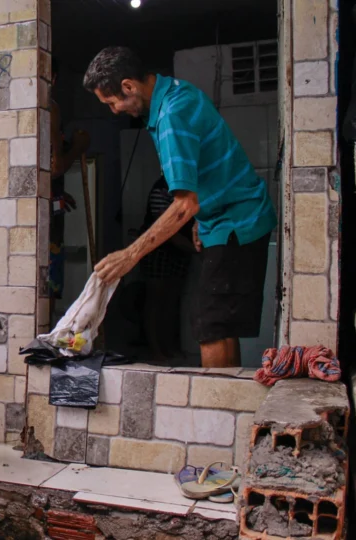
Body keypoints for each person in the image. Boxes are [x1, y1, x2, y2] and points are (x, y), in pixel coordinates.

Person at [83, 47, 276, 368]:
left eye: (112, 102)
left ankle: (215, 399)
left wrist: (129, 255)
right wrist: (202, 218)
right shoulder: (177, 92)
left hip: (236, 223)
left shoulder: (172, 115)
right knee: (218, 325)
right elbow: (206, 174)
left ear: (128, 86)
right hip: (228, 218)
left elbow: (184, 205)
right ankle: (227, 396)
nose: (114, 111)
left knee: (209, 326)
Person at [139, 175, 196, 364]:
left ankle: (170, 347)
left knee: (172, 300)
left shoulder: (188, 188)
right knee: (156, 300)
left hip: (180, 251)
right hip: (158, 249)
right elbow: (166, 231)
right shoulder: (161, 190)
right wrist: (195, 250)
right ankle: (156, 350)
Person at [48, 58, 91, 300]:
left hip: (42, 208)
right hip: (47, 223)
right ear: (53, 79)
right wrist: (78, 147)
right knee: (47, 291)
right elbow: (54, 168)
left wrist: (56, 193)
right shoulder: (49, 107)